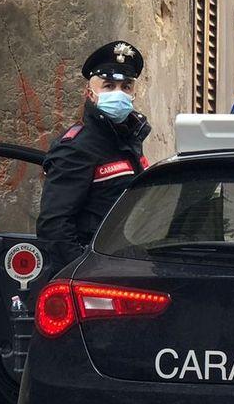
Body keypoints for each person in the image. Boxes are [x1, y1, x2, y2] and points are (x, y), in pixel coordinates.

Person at [37, 40, 152, 268]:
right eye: (108, 86)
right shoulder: (76, 147)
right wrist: (84, 272)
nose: (119, 94)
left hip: (127, 263)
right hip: (98, 272)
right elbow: (55, 225)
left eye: (126, 87)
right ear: (90, 93)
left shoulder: (129, 138)